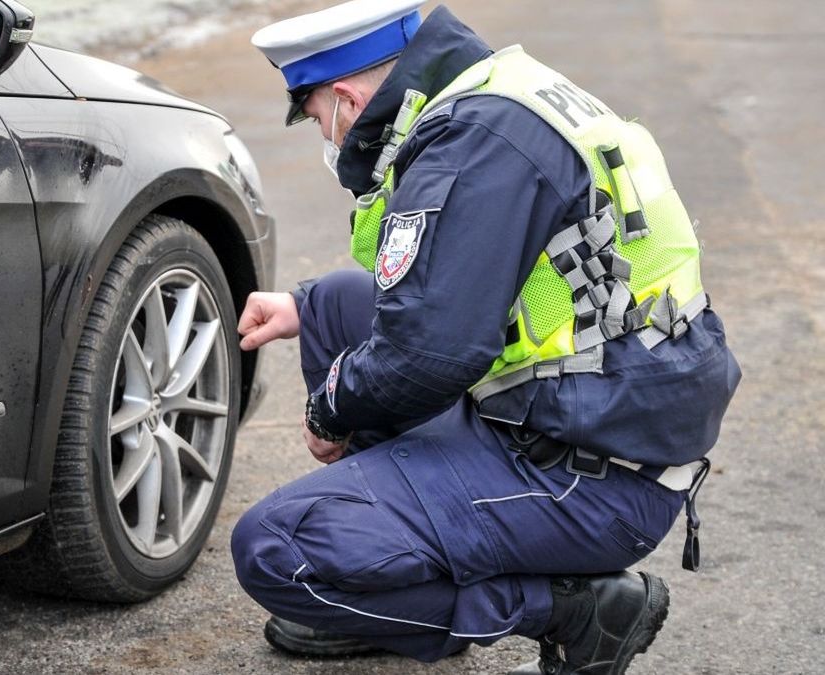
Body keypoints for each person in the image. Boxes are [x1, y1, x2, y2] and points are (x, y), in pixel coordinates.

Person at [231, 2, 742, 673]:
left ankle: (571, 608)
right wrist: (304, 307)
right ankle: (399, 577)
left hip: (591, 475)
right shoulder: (499, 93)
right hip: (598, 413)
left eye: (318, 118)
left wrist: (330, 405)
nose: (327, 137)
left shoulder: (472, 146)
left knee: (275, 550)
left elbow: (422, 355)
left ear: (348, 99)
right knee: (334, 302)